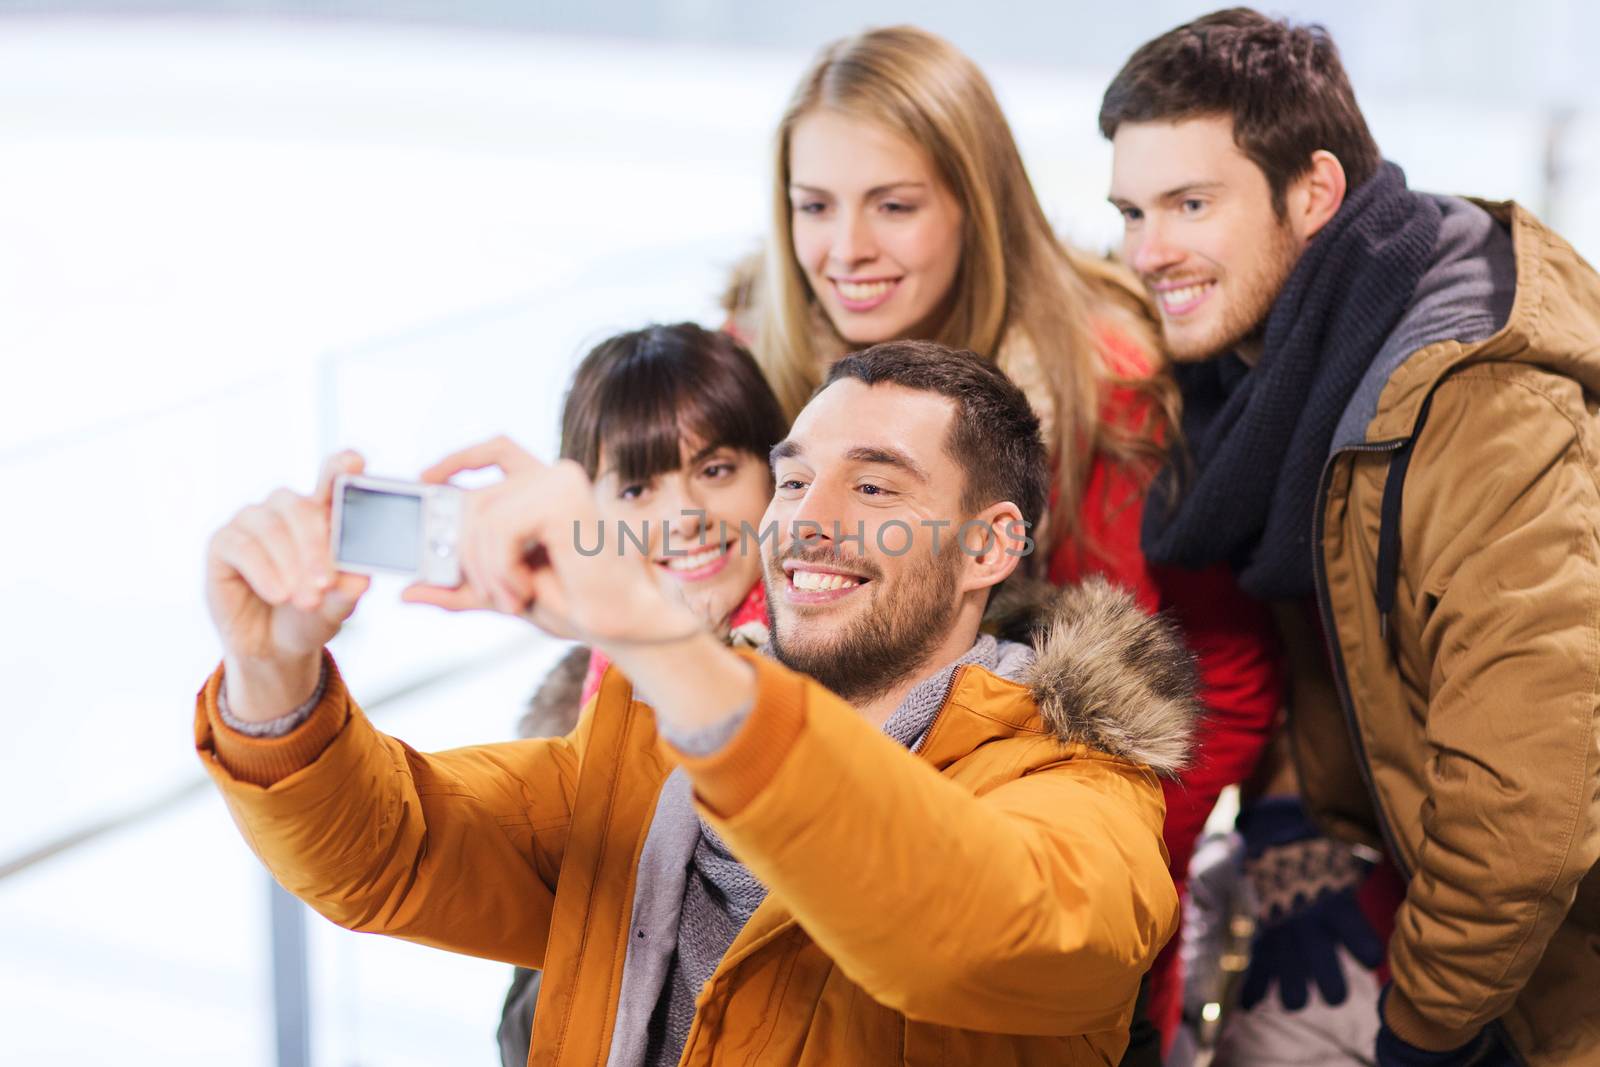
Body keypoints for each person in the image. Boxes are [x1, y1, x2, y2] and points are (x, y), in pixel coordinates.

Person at [196, 341, 1200, 1065]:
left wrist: (650, 631)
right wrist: (271, 669)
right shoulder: (637, 749)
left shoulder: (1081, 785)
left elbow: (976, 927)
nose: (808, 521)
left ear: (987, 545)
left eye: (877, 489)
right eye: (795, 478)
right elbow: (390, 850)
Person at [726, 24, 1284, 1050]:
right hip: (786, 903)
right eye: (815, 205)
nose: (845, 249)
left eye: (893, 205)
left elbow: (1223, 672)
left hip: (1022, 919)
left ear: (972, 206)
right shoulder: (754, 357)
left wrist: (1088, 898)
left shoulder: (1095, 383)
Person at [1100, 9, 1600, 1065]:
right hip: (1455, 925)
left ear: (1313, 192)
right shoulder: (1281, 371)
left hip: (1555, 974)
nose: (1149, 252)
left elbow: (1527, 804)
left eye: (1190, 203)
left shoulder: (1478, 405)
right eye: (1132, 210)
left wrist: (1422, 1025)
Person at [497, 322, 785, 1066]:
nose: (684, 515)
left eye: (716, 470)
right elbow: (528, 1026)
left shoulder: (839, 689)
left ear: (775, 478)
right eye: (635, 487)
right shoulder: (574, 725)